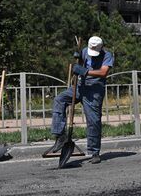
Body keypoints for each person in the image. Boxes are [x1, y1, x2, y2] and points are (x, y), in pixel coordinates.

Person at [46, 36, 114, 164]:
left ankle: (94, 152)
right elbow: (79, 64)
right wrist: (77, 60)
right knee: (59, 100)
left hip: (94, 90)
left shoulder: (107, 55)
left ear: (101, 48)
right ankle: (60, 135)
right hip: (79, 87)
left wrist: (85, 71)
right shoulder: (84, 51)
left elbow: (104, 72)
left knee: (93, 121)